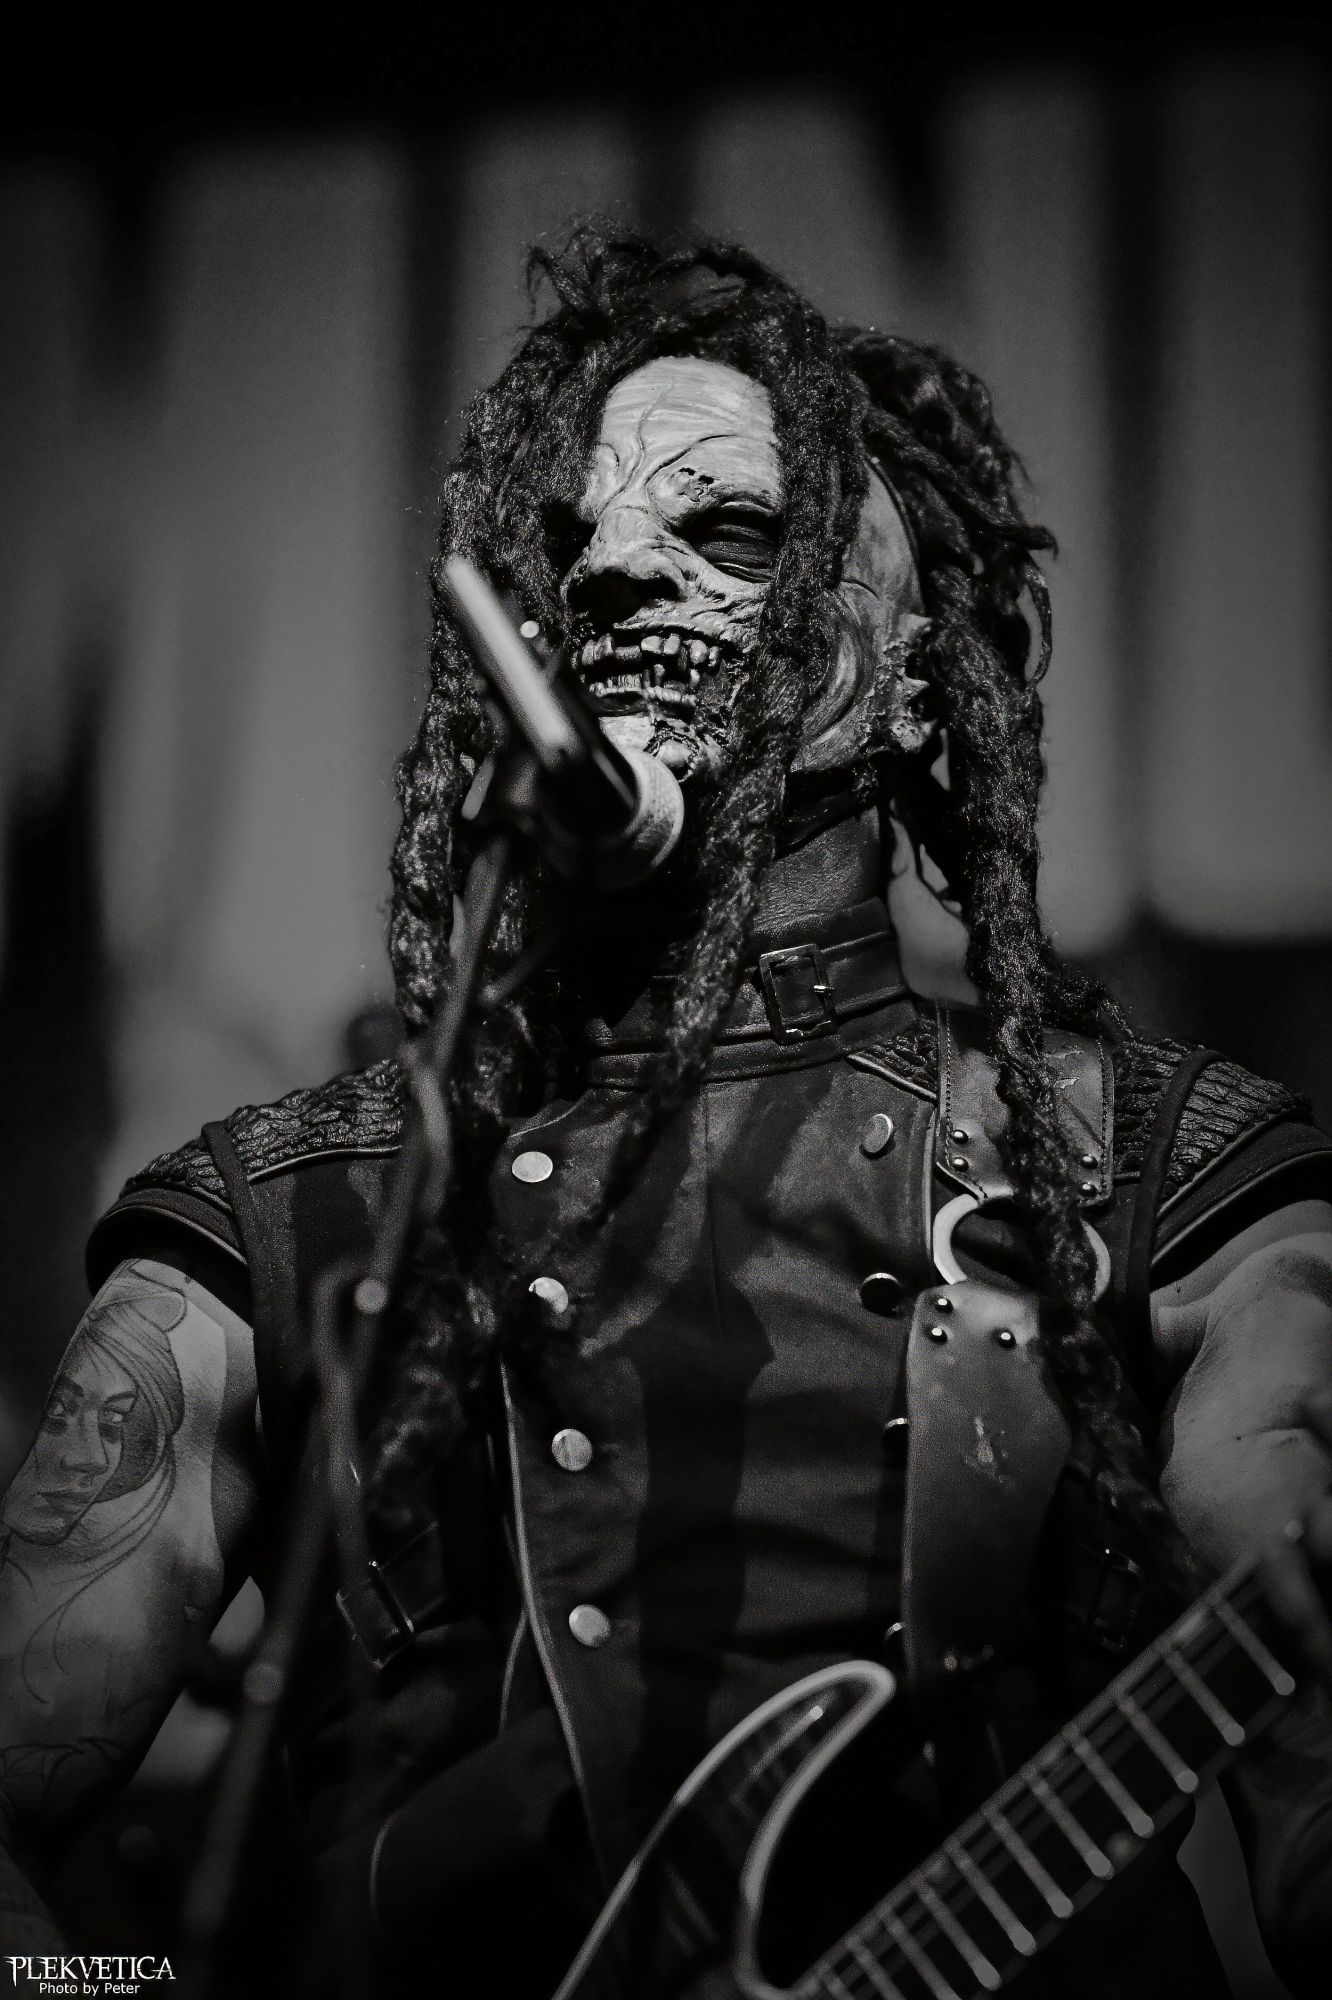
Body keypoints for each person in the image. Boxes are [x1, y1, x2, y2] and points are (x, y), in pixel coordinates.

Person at [3, 230, 1332, 1997]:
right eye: (571, 543)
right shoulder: (279, 1226)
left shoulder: (1159, 1180)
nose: (619, 567)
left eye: (731, 531)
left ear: (914, 679)